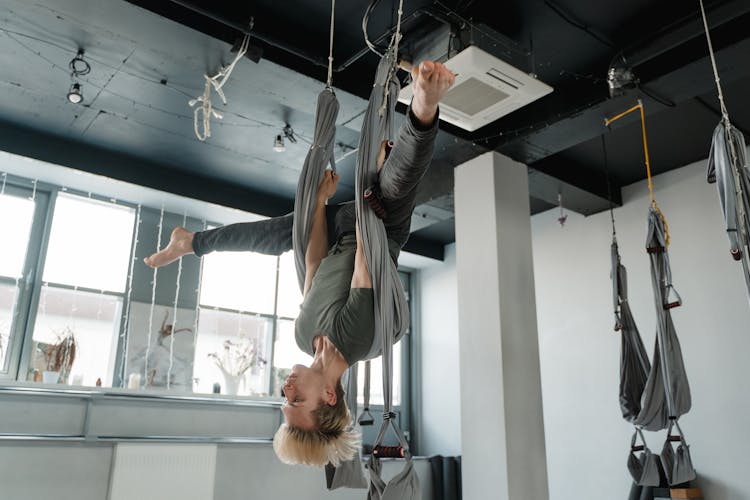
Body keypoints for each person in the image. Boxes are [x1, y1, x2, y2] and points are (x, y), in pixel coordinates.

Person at [144, 60, 455, 466]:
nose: (286, 389)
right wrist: (372, 182)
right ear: (328, 396)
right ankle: (424, 105)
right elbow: (366, 258)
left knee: (278, 237)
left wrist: (320, 201)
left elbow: (312, 261)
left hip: (341, 228)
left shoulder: (302, 334)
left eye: (283, 399)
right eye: (296, 399)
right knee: (398, 180)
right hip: (377, 227)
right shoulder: (356, 340)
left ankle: (191, 242)